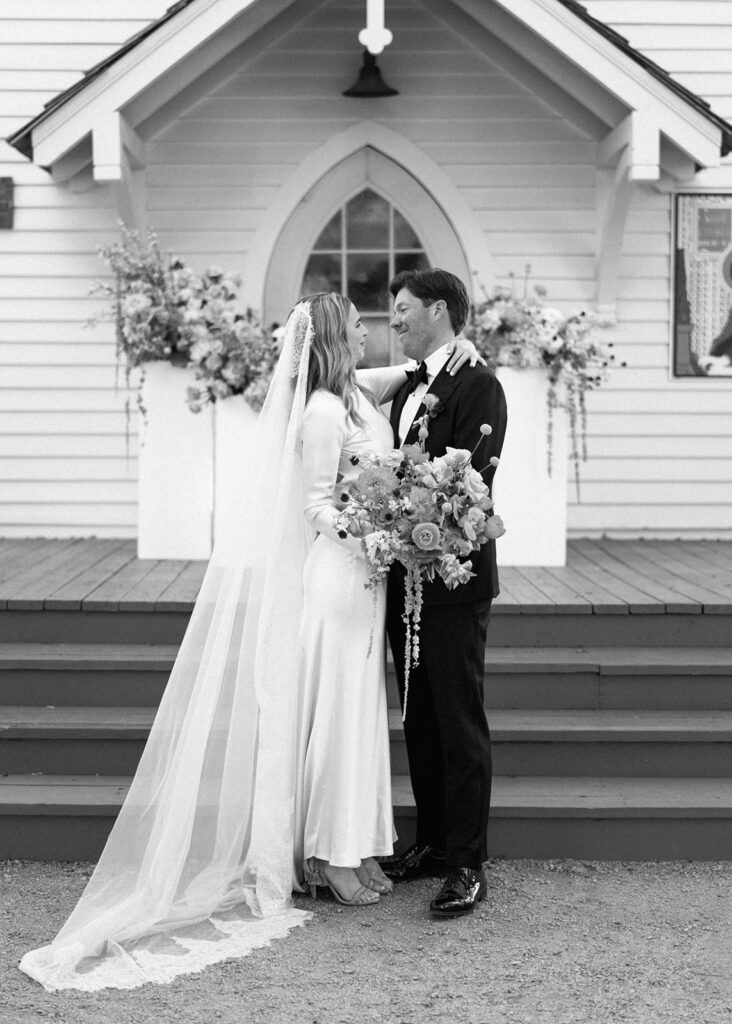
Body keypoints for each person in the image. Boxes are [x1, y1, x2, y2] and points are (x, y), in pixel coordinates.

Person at [18, 292, 483, 991]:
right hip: (339, 575)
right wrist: (374, 534)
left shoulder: (356, 393)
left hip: (369, 581)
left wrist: (460, 353)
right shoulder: (324, 413)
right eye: (358, 324)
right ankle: (329, 857)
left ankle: (356, 850)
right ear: (333, 335)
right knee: (332, 716)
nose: (370, 331)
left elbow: (415, 373)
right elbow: (316, 503)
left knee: (355, 716)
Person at [381, 269, 508, 918]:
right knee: (419, 720)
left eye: (401, 309)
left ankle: (467, 862)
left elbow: (470, 481)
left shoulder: (478, 383)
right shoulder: (403, 384)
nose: (393, 320)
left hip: (454, 580)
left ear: (438, 310)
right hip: (403, 579)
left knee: (459, 722)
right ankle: (432, 842)